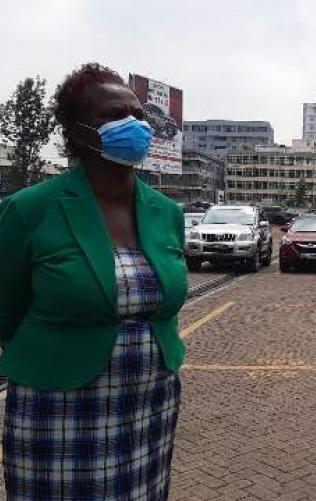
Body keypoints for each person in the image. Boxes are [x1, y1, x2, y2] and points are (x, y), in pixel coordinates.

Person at [0, 63, 188, 499]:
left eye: (139, 115)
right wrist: (56, 357)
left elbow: (169, 301)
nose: (135, 125)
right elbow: (5, 311)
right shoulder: (30, 209)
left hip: (149, 407)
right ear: (80, 132)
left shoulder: (167, 213)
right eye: (115, 115)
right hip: (57, 407)